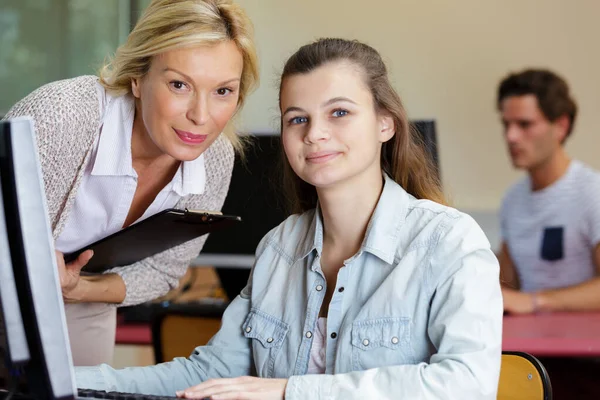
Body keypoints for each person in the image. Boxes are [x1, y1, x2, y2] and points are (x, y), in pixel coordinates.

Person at [75, 38, 502, 399]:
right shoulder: (278, 249)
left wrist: (288, 391)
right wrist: (67, 383)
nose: (314, 133)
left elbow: (467, 383)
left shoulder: (449, 241)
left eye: (339, 112)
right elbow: (209, 377)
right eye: (297, 118)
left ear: (385, 124)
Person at [2, 0, 259, 366]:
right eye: (179, 84)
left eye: (222, 91)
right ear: (137, 78)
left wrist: (80, 289)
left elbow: (162, 271)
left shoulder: (215, 158)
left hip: (79, 297)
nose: (201, 116)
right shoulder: (62, 117)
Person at [496, 69, 600, 315]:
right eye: (506, 124)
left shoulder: (592, 193)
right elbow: (505, 288)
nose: (511, 136)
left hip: (585, 350)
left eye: (524, 124)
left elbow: (522, 300)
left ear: (561, 126)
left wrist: (535, 301)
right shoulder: (512, 201)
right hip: (529, 348)